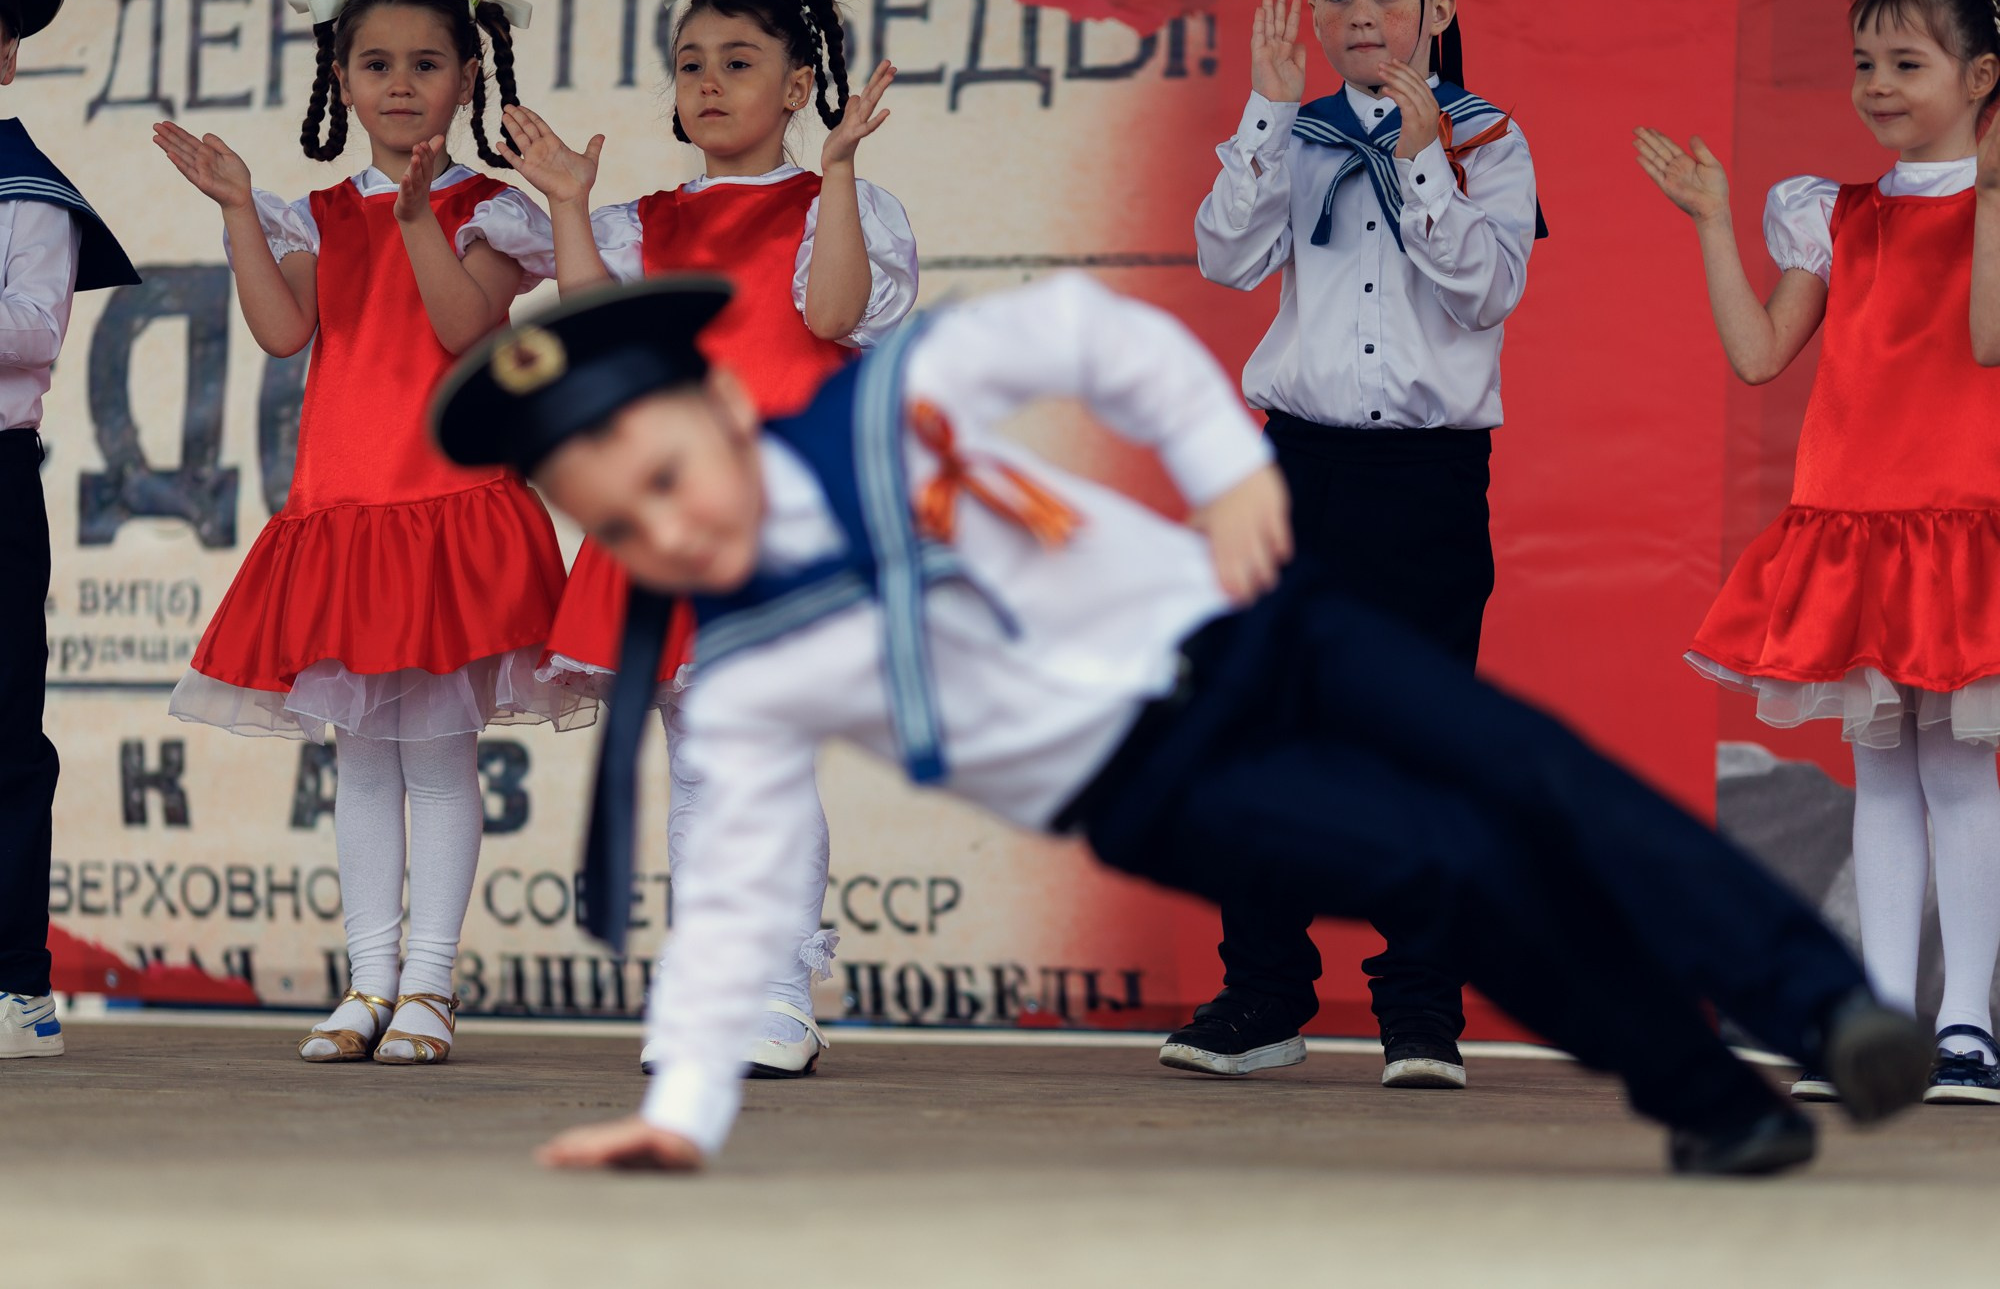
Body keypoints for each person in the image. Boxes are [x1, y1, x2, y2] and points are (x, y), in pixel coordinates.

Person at [432, 272, 1931, 1177]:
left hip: (1254, 628)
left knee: (1537, 770)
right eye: (621, 525)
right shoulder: (754, 669)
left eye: (667, 474)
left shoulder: (894, 402)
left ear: (720, 405)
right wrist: (682, 1107)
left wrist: (1224, 472)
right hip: (1156, 780)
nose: (668, 528)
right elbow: (741, 889)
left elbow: (1094, 334)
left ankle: (1825, 1008)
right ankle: (1713, 1105)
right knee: (1451, 865)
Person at [495, 0, 915, 1078]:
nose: (711, 84)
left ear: (797, 84)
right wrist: (571, 208)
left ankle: (778, 989)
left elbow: (830, 314)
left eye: (739, 63)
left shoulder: (852, 206)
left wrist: (834, 170)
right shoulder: (648, 222)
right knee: (695, 764)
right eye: (691, 66)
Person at [155, 0, 577, 1065]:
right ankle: (367, 981)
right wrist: (243, 211)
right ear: (340, 79)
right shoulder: (319, 214)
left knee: (437, 755)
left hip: (444, 511)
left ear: (467, 76)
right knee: (358, 757)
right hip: (344, 511)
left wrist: (417, 217)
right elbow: (284, 334)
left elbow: (458, 326)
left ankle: (429, 987)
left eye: (426, 64)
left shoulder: (492, 210)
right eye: (376, 64)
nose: (400, 86)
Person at [1640, 0, 2000, 1108]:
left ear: (1980, 75)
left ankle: (1964, 1024)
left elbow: (1988, 342)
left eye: (1907, 62)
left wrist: (1990, 193)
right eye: (1863, 65)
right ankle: (1881, 1017)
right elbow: (1755, 356)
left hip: (1956, 515)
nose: (1877, 85)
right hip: (1851, 522)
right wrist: (1708, 224)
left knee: (1954, 768)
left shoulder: (1993, 207)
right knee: (1880, 774)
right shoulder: (1828, 213)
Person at [1186, 0, 1541, 1087]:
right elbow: (1224, 256)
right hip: (1294, 462)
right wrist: (1262, 109)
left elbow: (1483, 290)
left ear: (1437, 12)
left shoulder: (1488, 138)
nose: (1359, 16)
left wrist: (1420, 160)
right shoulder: (1293, 133)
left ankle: (1421, 1010)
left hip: (1424, 476)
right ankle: (1262, 995)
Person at [0, 0, 141, 1062]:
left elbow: (32, 329)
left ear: (5, 53)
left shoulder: (25, 185)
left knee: (3, 736)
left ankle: (15, 986)